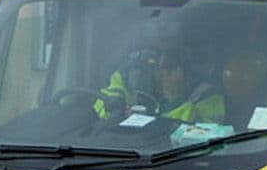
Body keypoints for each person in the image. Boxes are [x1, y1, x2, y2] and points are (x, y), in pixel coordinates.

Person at [95, 25, 225, 123]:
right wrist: (118, 112)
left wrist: (174, 99)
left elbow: (200, 140)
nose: (162, 61)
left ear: (186, 56)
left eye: (171, 54)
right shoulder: (127, 76)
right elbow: (101, 106)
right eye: (155, 53)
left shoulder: (206, 93)